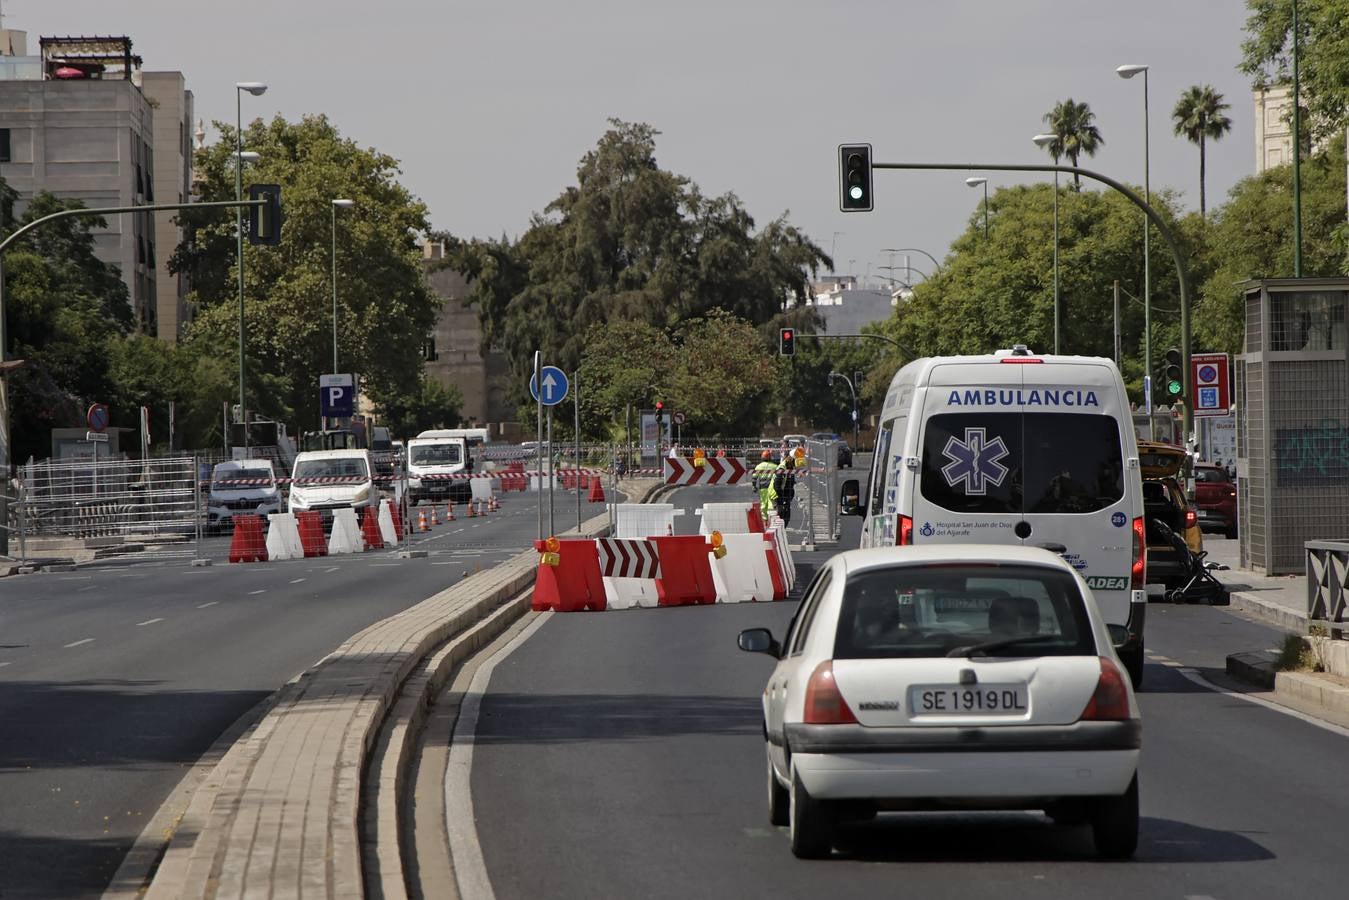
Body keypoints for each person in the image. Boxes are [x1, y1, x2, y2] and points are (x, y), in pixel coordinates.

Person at [770, 455, 797, 527]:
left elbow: (790, 484)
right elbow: (777, 486)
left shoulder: (789, 468)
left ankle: (782, 530)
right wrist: (782, 499)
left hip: (784, 496)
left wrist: (790, 496)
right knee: (780, 517)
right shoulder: (782, 468)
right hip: (777, 496)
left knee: (786, 517)